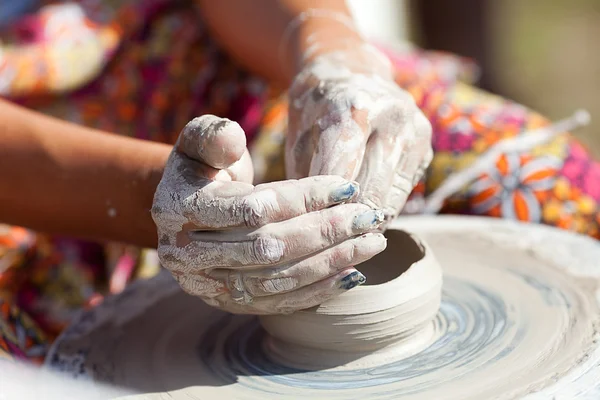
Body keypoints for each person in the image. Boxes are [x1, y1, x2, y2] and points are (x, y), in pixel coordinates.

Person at [1, 0, 598, 364]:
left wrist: (329, 56)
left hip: (201, 57)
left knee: (537, 180)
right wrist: (142, 193)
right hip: (28, 176)